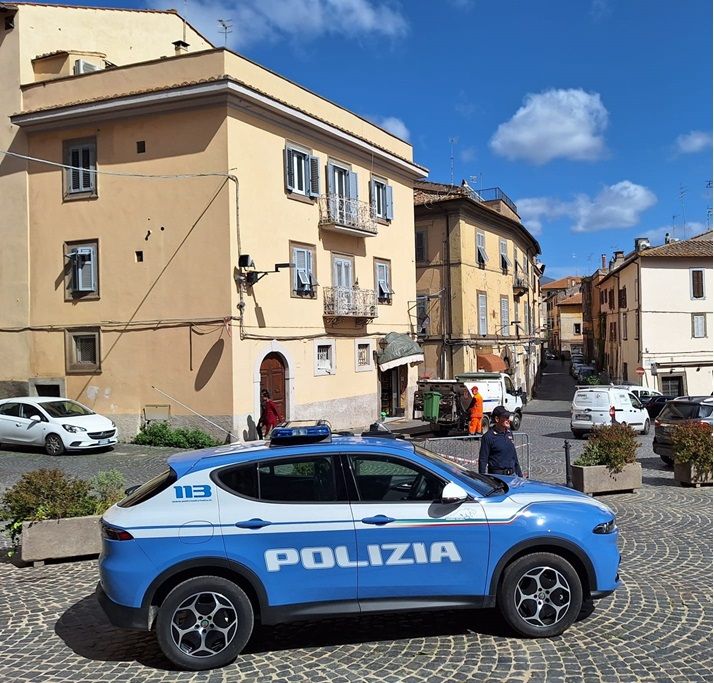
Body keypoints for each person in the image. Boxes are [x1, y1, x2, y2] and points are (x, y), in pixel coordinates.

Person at [478, 405, 523, 477]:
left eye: (508, 417)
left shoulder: (509, 433)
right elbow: (483, 460)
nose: (508, 419)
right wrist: (483, 478)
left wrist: (520, 476)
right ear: (497, 419)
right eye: (505, 417)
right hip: (497, 476)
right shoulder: (488, 437)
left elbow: (514, 456)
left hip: (512, 475)